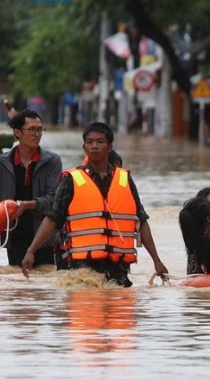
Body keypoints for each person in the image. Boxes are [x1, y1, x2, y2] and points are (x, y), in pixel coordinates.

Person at [21, 122, 169, 286]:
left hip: (118, 269)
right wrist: (31, 250)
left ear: (110, 147)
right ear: (84, 148)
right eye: (90, 142)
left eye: (100, 142)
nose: (94, 146)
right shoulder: (72, 180)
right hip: (83, 269)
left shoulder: (125, 180)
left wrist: (156, 260)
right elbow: (52, 218)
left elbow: (141, 221)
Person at [0, 109, 63, 267]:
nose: (37, 134)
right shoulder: (1, 163)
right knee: (18, 285)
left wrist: (27, 205)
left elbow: (54, 199)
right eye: (32, 130)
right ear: (17, 132)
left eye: (40, 130)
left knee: (44, 282)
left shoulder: (52, 161)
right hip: (14, 238)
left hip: (45, 238)